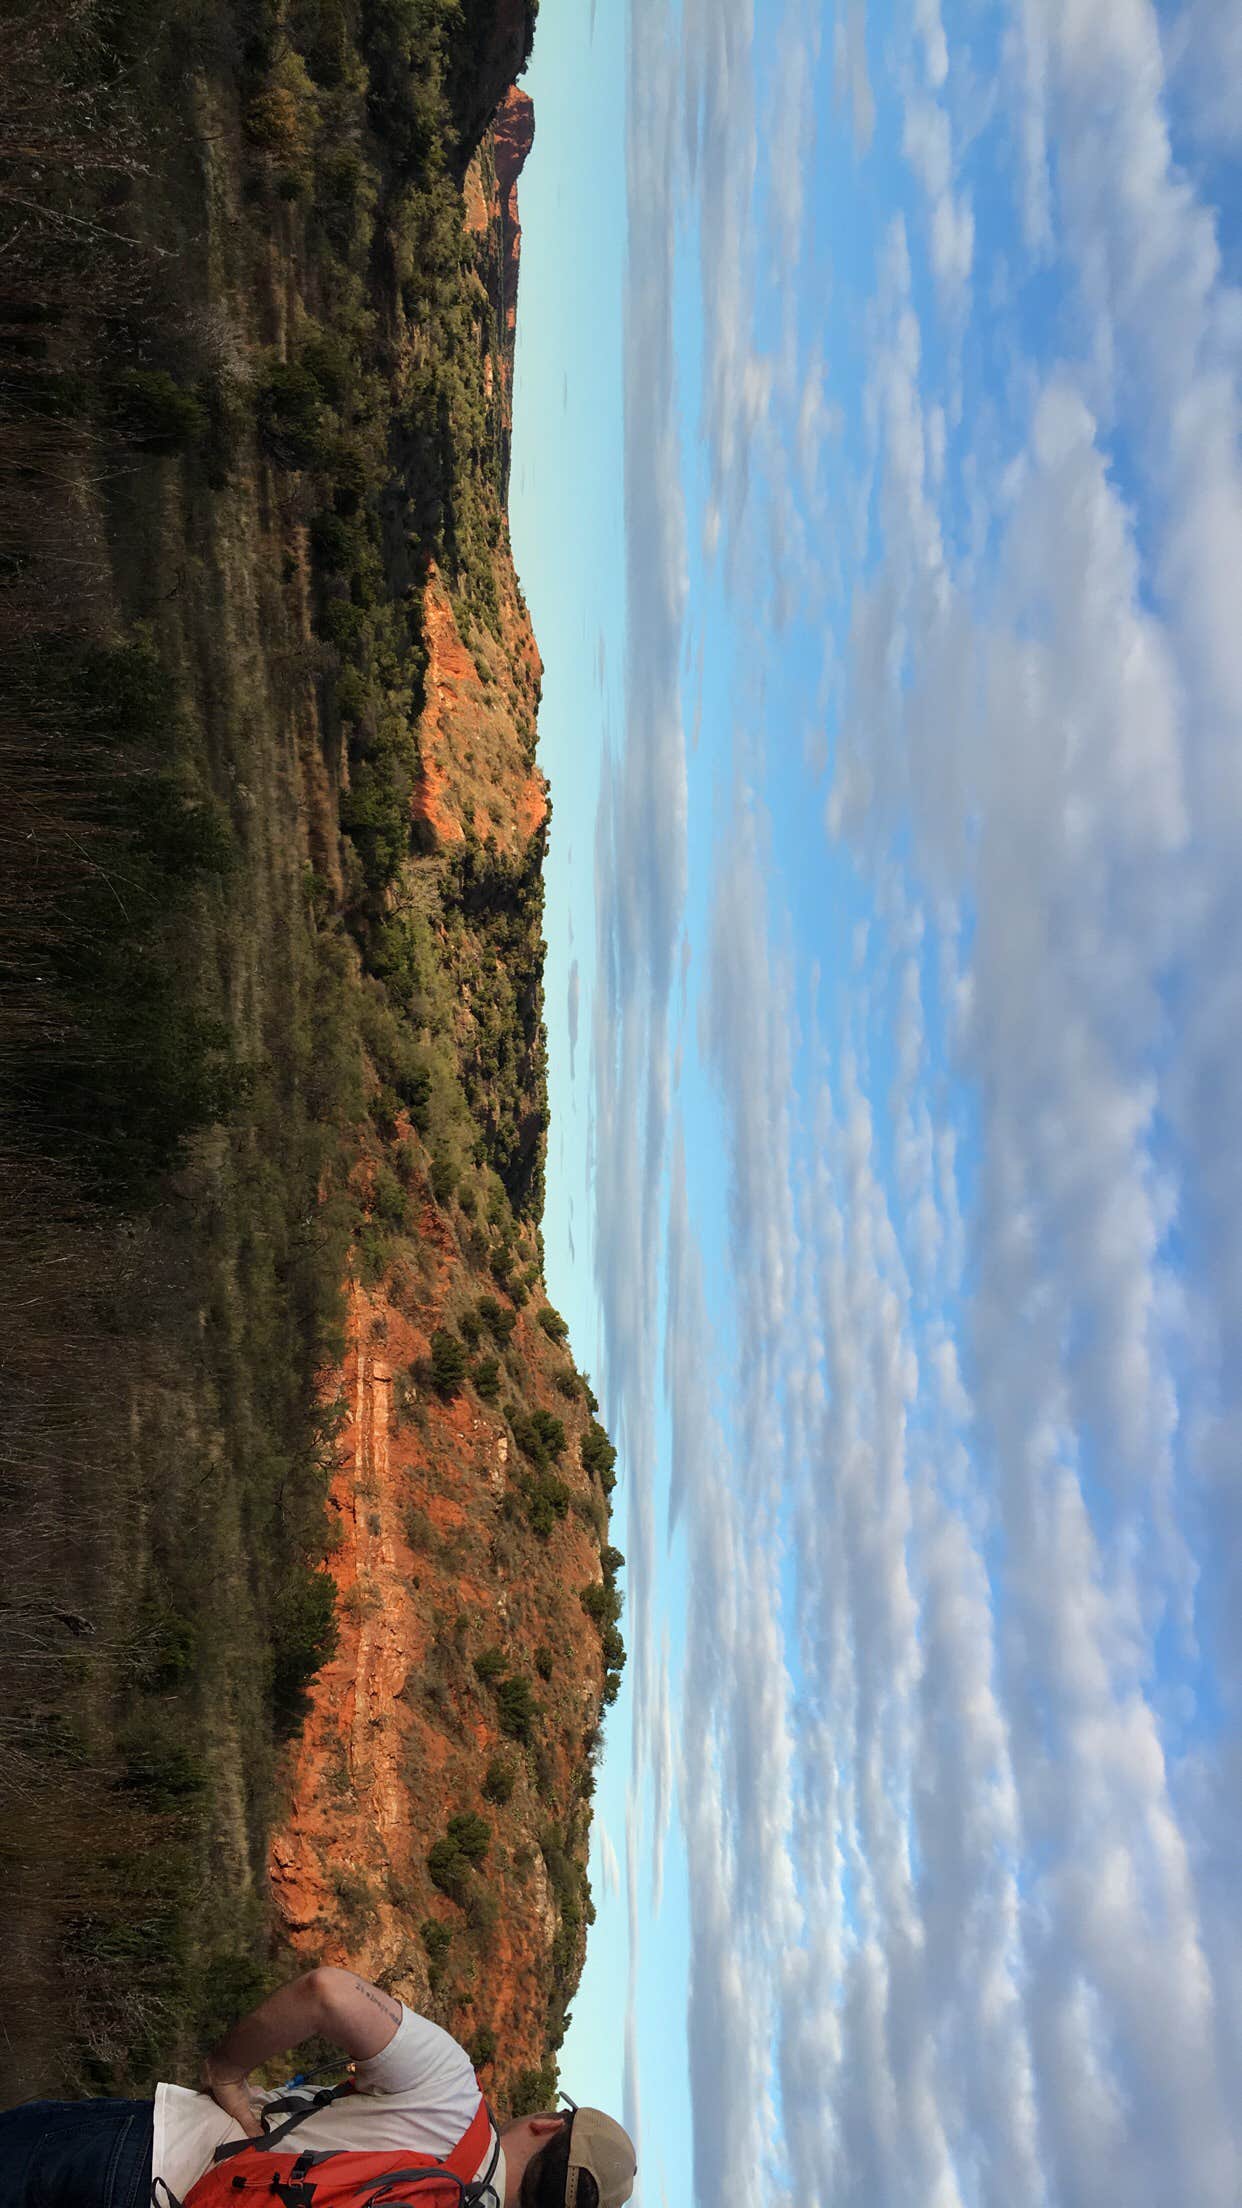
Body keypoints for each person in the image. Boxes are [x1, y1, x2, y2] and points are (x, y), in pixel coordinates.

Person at [0, 1965, 637, 2208]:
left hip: (152, 2164)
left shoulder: (451, 2089)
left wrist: (225, 2071)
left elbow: (327, 1993)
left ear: (549, 2124)